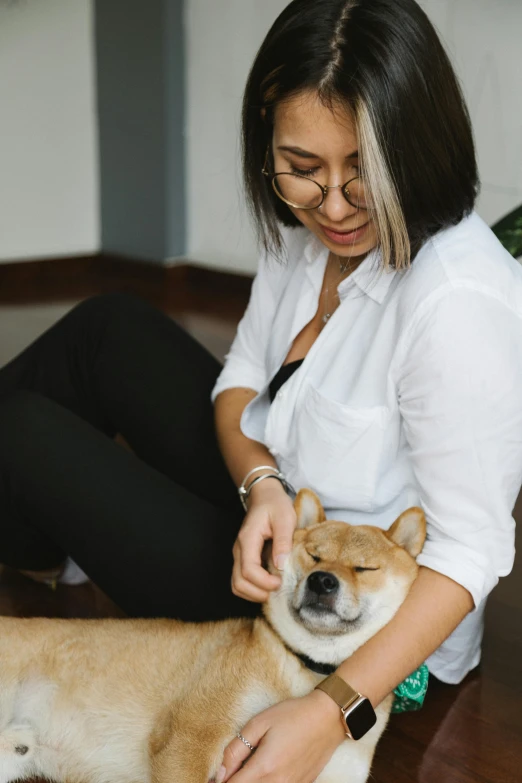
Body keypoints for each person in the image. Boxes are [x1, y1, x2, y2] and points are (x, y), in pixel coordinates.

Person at [1, 0, 521, 781]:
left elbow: (471, 549)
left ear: (416, 148)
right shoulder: (302, 228)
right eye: (303, 168)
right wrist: (263, 485)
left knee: (24, 429)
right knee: (106, 327)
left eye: (363, 173)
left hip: (348, 622)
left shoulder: (457, 300)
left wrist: (331, 708)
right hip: (280, 515)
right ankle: (31, 541)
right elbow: (240, 380)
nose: (336, 206)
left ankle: (29, 535)